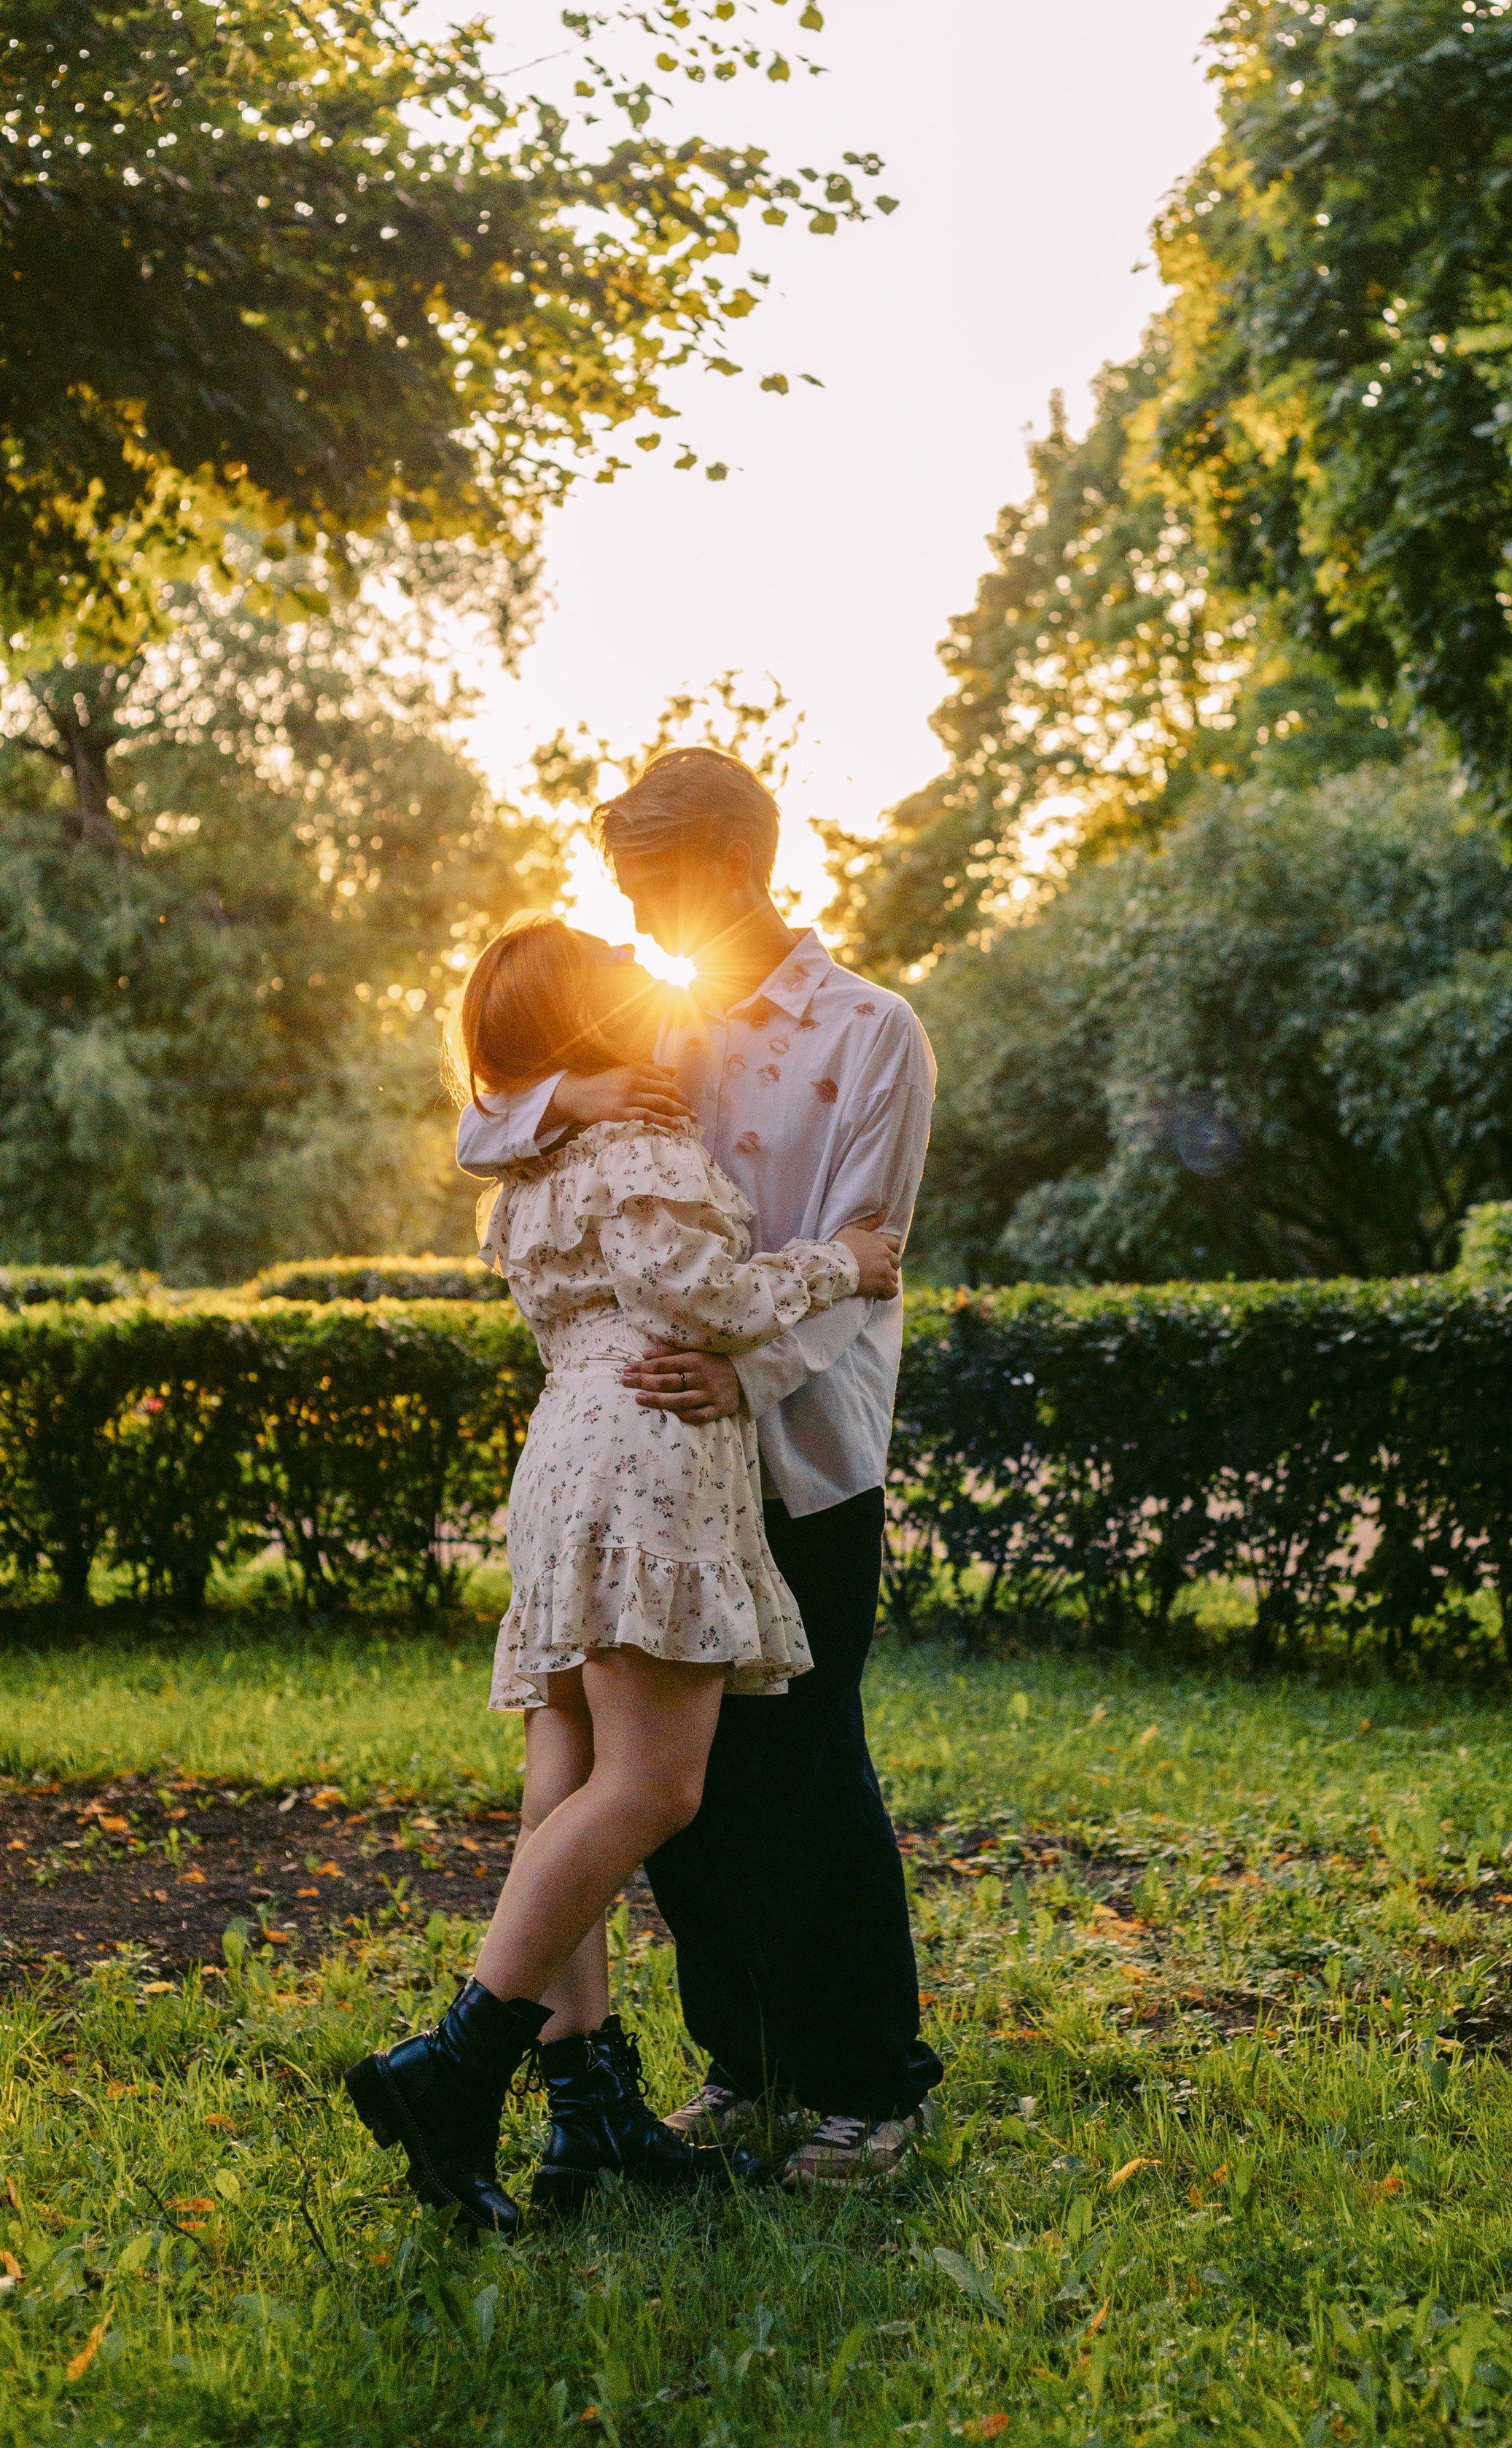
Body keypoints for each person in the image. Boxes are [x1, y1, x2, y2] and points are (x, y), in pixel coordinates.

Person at [343, 915, 903, 2237]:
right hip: (650, 1455)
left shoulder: (536, 1161)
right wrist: (848, 1262)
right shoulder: (639, 1147)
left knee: (571, 1782)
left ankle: (584, 2105)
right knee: (656, 1785)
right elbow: (705, 1300)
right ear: (599, 1026)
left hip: (564, 1457)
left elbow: (508, 1143)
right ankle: (456, 2061)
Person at [454, 745, 943, 2190]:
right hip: (668, 1461)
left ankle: (868, 2087)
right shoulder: (647, 1027)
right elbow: (489, 1114)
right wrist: (574, 1105)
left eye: (653, 886)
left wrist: (743, 1368)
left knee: (803, 1769)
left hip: (799, 1451)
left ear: (735, 863)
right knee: (679, 1789)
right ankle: (744, 2063)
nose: (640, 914)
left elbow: (870, 1256)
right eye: (623, 892)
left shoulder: (871, 1035)